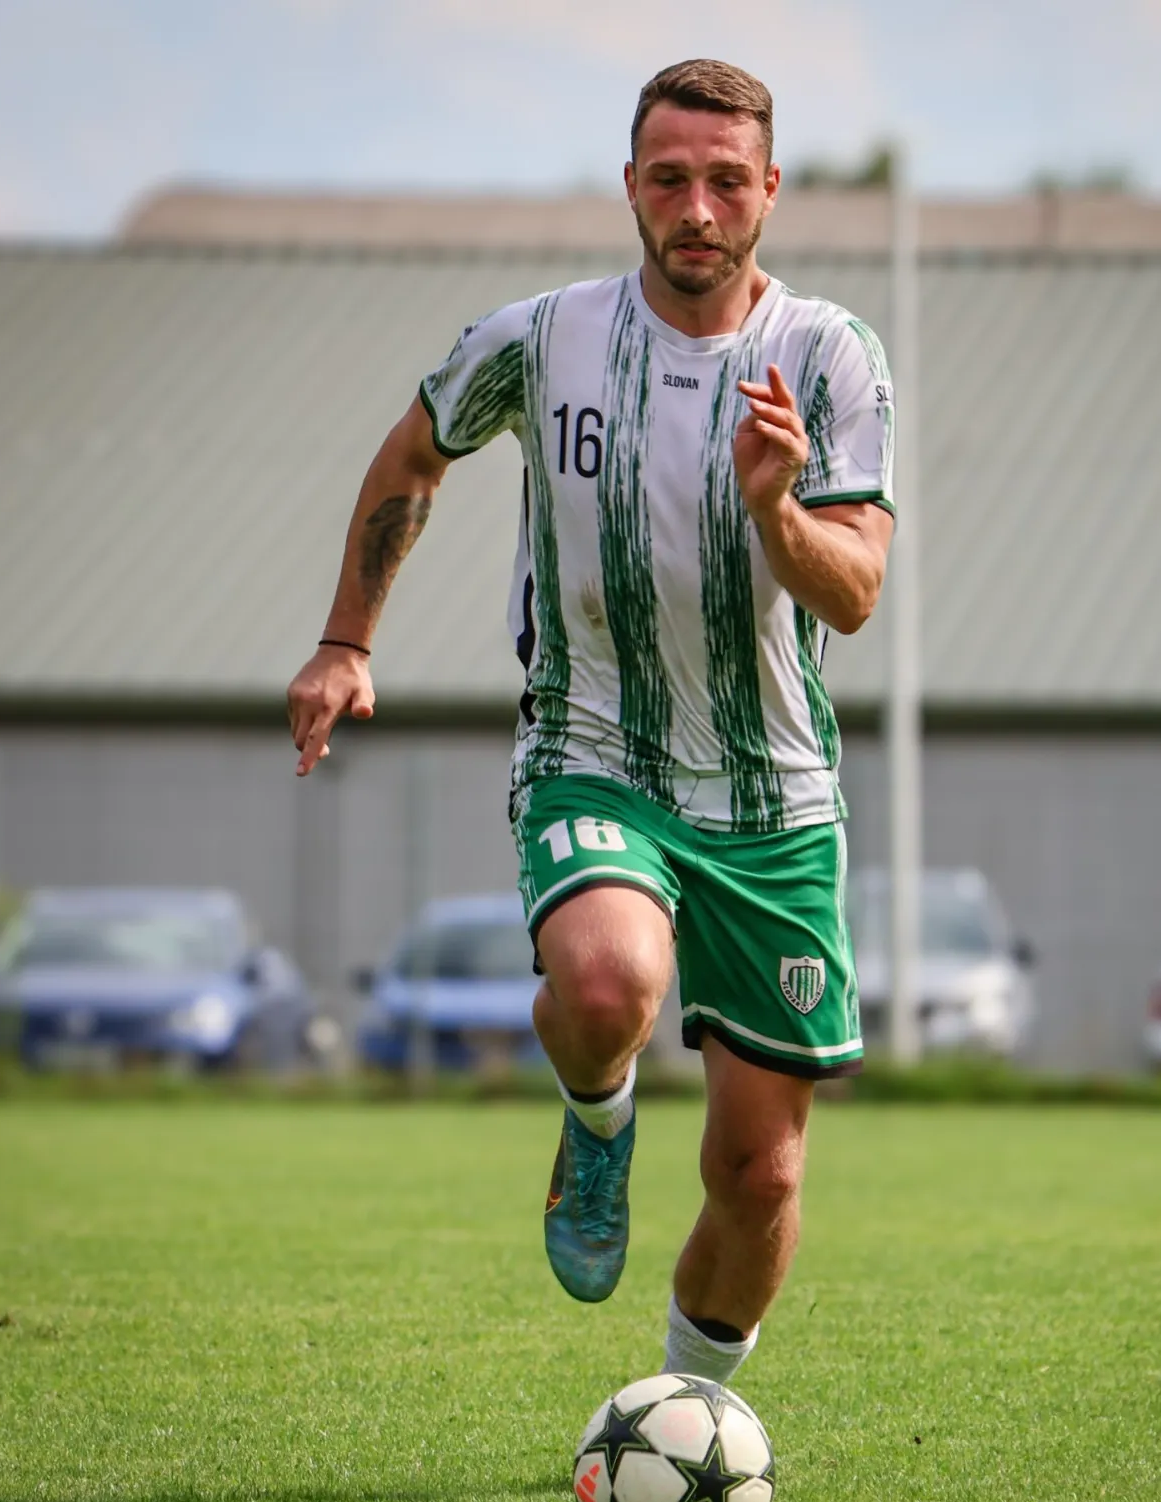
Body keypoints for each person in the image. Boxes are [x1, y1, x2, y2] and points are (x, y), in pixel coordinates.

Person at [286, 58, 895, 1385]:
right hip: (594, 752)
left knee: (760, 1173)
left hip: (775, 801)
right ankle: (598, 1115)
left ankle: (678, 1417)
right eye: (669, 178)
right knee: (609, 984)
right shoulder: (541, 338)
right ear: (631, 185)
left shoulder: (829, 355)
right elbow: (414, 452)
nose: (697, 207)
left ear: (770, 191)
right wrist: (346, 641)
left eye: (725, 181)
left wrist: (776, 508)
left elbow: (853, 595)